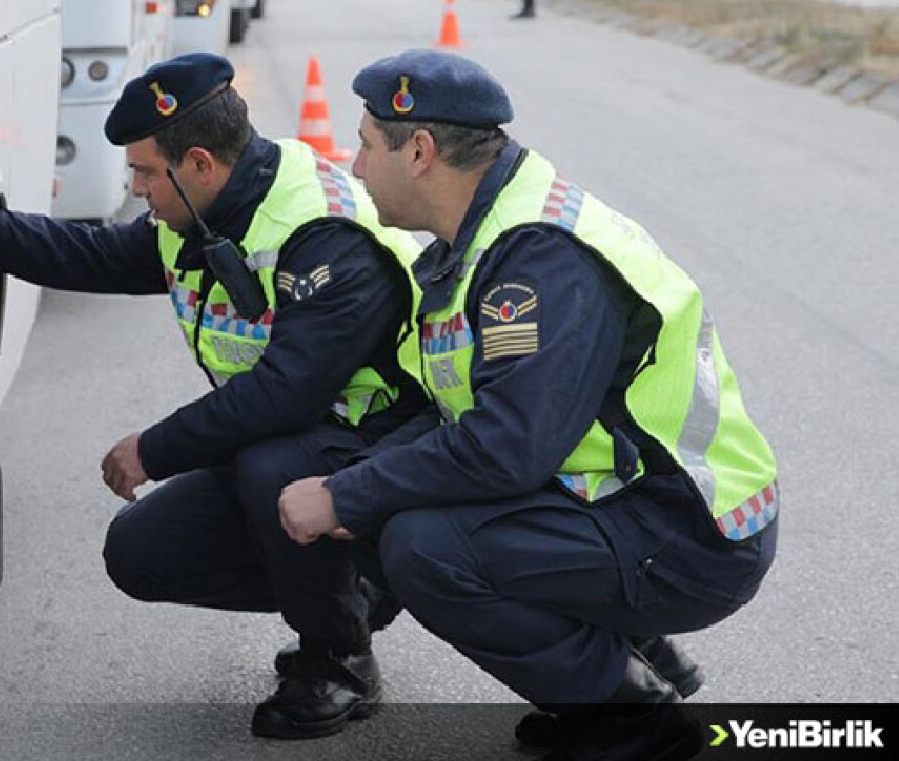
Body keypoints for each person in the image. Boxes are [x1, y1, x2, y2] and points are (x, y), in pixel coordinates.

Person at [278, 49, 779, 761]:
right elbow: (467, 410)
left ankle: (635, 718)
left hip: (692, 529)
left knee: (425, 546)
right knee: (394, 499)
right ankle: (628, 667)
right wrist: (356, 476)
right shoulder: (489, 232)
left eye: (364, 145)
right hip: (634, 500)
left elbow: (507, 444)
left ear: (419, 151)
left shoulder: (536, 258)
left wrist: (346, 493)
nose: (355, 167)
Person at [0, 53, 430, 739]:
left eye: (144, 172)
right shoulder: (201, 214)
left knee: (270, 466)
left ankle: (339, 653)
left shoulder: (324, 237)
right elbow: (93, 256)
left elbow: (283, 394)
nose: (135, 189)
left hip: (390, 451)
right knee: (141, 551)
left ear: (199, 164)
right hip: (304, 449)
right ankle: (345, 591)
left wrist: (151, 449)